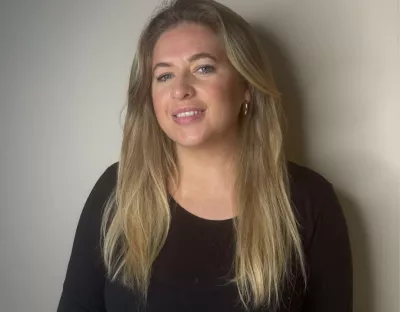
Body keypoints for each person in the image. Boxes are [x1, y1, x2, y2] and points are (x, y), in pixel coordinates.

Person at [57, 0, 352, 311]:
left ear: (246, 87)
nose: (181, 89)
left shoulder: (310, 200)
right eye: (164, 75)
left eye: (203, 68)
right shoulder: (116, 191)